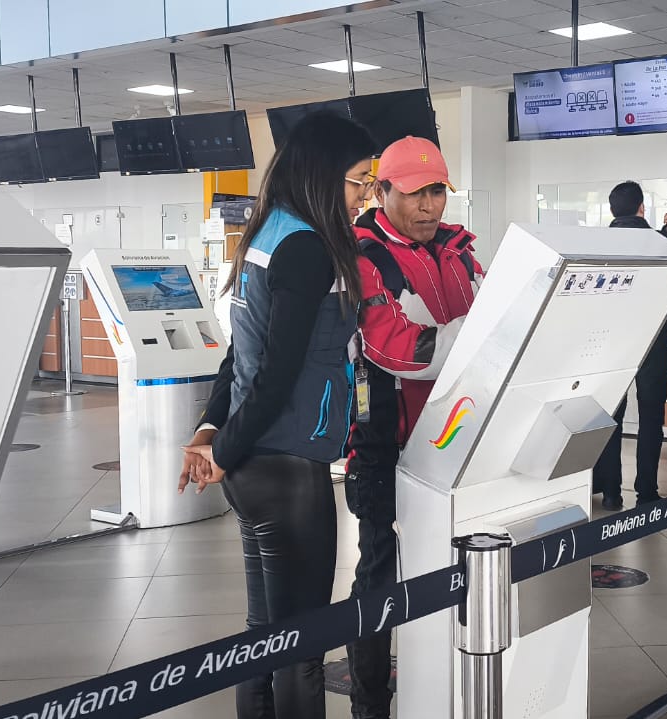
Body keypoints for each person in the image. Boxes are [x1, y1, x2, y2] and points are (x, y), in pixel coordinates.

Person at [179, 112, 377, 719]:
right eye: (360, 182)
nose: (365, 196)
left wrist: (213, 434)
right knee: (301, 647)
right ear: (323, 175)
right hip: (287, 466)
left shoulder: (268, 233)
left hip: (255, 466)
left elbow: (242, 355)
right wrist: (223, 449)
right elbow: (277, 372)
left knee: (264, 636)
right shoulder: (307, 249)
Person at [343, 136, 483, 719]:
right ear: (382, 192)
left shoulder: (461, 251)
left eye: (437, 192)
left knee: (460, 571)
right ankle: (370, 702)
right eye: (414, 193)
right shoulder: (364, 255)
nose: (429, 206)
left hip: (462, 440)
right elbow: (395, 347)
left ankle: (449, 690)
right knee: (378, 578)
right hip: (386, 447)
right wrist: (480, 335)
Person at [595, 181, 667, 511]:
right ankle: (646, 491)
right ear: (642, 208)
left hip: (609, 342)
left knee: (611, 416)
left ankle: (611, 492)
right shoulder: (661, 243)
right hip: (652, 340)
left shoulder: (598, 245)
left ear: (612, 210)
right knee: (651, 417)